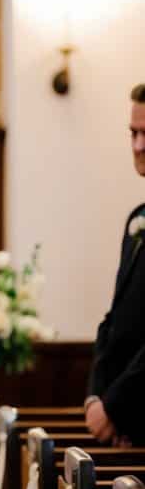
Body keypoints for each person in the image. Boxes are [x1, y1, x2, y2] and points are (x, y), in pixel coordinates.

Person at [85, 82, 145, 447]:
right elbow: (114, 321)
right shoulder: (136, 220)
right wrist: (96, 398)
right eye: (133, 133)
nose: (138, 146)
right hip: (125, 427)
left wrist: (116, 406)